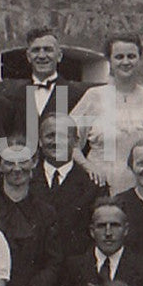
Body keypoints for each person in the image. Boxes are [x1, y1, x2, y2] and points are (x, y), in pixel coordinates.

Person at [0, 26, 88, 172]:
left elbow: (83, 144)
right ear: (28, 56)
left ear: (59, 55)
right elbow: (0, 138)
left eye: (48, 50)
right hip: (21, 176)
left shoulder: (77, 95)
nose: (42, 56)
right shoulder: (12, 95)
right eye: (36, 50)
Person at [0, 142, 63, 286]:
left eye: (23, 162)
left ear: (34, 162)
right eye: (9, 162)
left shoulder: (46, 212)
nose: (17, 168)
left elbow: (54, 262)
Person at [70, 35, 143, 194]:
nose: (125, 62)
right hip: (100, 183)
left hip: (141, 184)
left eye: (131, 56)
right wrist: (88, 167)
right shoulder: (93, 96)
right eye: (119, 57)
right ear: (109, 61)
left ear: (139, 59)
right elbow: (67, 140)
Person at [33, 107, 100, 249]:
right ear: (40, 141)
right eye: (50, 136)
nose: (56, 142)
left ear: (76, 142)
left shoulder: (92, 185)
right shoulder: (26, 179)